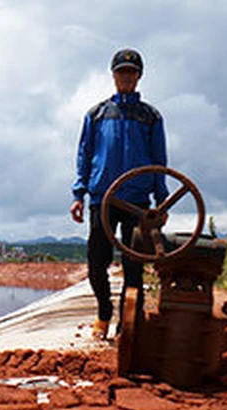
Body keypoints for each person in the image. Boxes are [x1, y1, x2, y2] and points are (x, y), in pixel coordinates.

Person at [70, 47, 168, 340]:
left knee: (133, 265)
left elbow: (158, 159)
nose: (126, 76)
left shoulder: (150, 116)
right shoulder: (97, 115)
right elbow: (84, 155)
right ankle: (103, 313)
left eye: (131, 71)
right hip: (103, 199)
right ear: (113, 75)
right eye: (121, 71)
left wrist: (161, 198)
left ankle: (129, 323)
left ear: (139, 76)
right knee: (96, 263)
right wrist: (78, 194)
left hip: (137, 202)